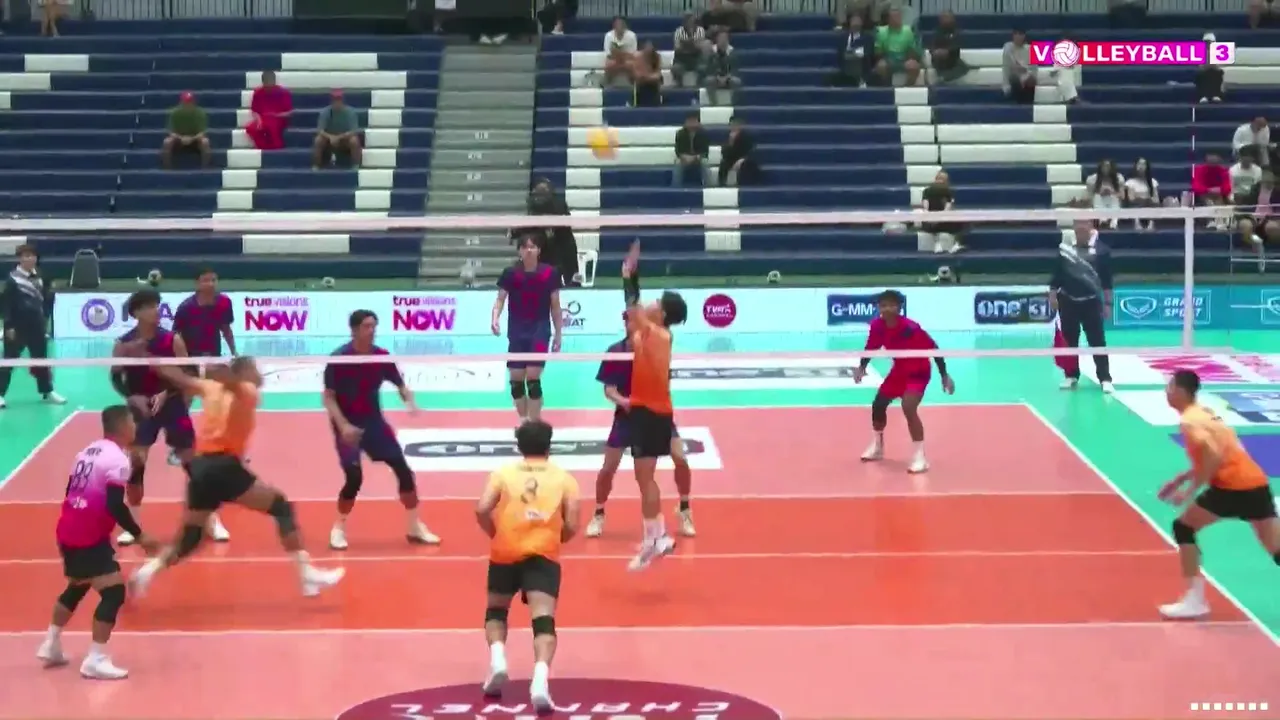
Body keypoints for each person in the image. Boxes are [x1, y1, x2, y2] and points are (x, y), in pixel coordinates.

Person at [128, 358, 345, 599]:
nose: (260, 374)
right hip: (223, 466)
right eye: (255, 369)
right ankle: (307, 576)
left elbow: (181, 378)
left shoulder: (210, 387)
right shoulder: (248, 390)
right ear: (245, 373)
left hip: (200, 468)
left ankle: (146, 572)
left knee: (190, 539)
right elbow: (234, 386)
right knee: (281, 506)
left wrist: (157, 364)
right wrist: (225, 376)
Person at [38, 406, 160, 680]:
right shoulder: (118, 459)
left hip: (68, 527)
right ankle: (96, 659)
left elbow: (72, 491)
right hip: (87, 535)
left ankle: (51, 644)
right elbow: (115, 504)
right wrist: (140, 535)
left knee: (79, 584)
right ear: (123, 426)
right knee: (114, 591)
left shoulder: (87, 451)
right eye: (132, 423)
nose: (135, 427)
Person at [476, 419, 580, 712]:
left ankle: (498, 659)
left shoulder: (502, 474)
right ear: (549, 445)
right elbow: (572, 524)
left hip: (505, 551)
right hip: (543, 554)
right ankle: (539, 681)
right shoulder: (565, 479)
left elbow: (481, 509)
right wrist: (556, 538)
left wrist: (495, 533)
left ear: (519, 446)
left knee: (496, 611)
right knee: (543, 620)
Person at [1157, 370, 1279, 620]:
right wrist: (1181, 479)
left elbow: (1212, 455)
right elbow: (1221, 452)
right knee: (1276, 549)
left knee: (1183, 527)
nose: (1166, 392)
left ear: (1181, 392)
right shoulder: (1206, 413)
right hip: (1256, 483)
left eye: (1170, 387)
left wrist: (1189, 491)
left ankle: (1195, 600)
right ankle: (1194, 599)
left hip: (1232, 487)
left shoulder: (1190, 422)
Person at [111, 290, 230, 545]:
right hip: (142, 410)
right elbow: (115, 376)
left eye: (157, 305)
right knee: (136, 466)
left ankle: (211, 519)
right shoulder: (123, 344)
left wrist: (167, 392)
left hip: (173, 405)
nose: (156, 310)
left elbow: (188, 373)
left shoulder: (172, 339)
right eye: (149, 306)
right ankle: (133, 525)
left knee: (193, 465)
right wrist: (132, 396)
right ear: (136, 313)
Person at [323, 310, 439, 550]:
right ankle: (338, 527)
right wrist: (343, 426)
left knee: (403, 471)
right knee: (354, 477)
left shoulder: (381, 356)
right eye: (367, 326)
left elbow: (400, 384)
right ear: (354, 330)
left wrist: (409, 399)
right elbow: (329, 397)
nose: (372, 331)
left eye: (374, 326)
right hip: (347, 424)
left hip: (374, 423)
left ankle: (414, 526)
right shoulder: (339, 359)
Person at [585, 333, 695, 539]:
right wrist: (626, 402)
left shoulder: (658, 348)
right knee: (608, 468)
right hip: (626, 418)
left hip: (657, 416)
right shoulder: (615, 352)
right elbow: (609, 390)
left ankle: (684, 509)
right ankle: (598, 513)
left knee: (680, 458)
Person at [619, 241, 688, 570]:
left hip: (651, 413)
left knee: (644, 478)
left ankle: (655, 539)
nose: (652, 304)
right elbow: (633, 315)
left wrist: (629, 277)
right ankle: (656, 536)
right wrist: (632, 277)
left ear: (662, 314)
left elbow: (634, 309)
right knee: (644, 477)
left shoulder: (659, 336)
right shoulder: (650, 333)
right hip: (649, 411)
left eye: (657, 303)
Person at [853, 290, 955, 474]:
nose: (887, 309)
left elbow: (933, 348)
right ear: (879, 308)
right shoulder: (877, 326)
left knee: (908, 406)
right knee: (878, 404)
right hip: (899, 371)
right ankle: (878, 447)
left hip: (918, 371)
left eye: (892, 305)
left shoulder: (911, 329)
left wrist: (944, 375)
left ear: (900, 308)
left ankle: (920, 457)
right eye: (883, 305)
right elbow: (871, 347)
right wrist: (862, 367)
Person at [491, 237, 564, 424]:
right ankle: (524, 422)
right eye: (525, 247)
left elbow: (556, 306)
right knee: (516, 382)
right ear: (520, 251)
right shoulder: (510, 273)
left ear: (539, 250)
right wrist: (495, 318)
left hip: (539, 330)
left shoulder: (549, 273)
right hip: (516, 332)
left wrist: (558, 334)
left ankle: (535, 422)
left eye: (533, 246)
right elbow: (500, 299)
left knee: (532, 378)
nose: (529, 250)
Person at [169, 268, 236, 466]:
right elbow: (175, 336)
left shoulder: (224, 303)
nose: (210, 284)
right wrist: (183, 362)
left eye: (214, 280)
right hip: (189, 360)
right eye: (206, 280)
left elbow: (225, 328)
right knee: (184, 404)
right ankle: (179, 449)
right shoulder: (185, 308)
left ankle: (226, 448)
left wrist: (234, 353)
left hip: (213, 359)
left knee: (222, 400)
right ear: (197, 283)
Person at [1049, 221, 1114, 393]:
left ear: (1091, 230)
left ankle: (1105, 378)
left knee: (1097, 341)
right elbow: (1056, 275)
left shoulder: (1102, 251)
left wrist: (1108, 303)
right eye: (1078, 230)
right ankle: (1071, 376)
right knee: (1070, 340)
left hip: (1091, 302)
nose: (1081, 233)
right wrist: (1052, 294)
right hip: (1068, 301)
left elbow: (1107, 280)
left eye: (1084, 230)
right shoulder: (1065, 251)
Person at [1, 243, 65, 409]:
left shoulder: (41, 277)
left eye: (32, 256)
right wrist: (9, 326)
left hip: (36, 326)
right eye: (26, 256)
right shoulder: (13, 279)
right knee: (9, 361)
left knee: (41, 360)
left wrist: (45, 319)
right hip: (17, 327)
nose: (29, 259)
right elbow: (6, 305)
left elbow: (45, 299)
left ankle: (47, 391)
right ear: (20, 259)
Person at [313, 89, 363, 169]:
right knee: (318, 140)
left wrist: (338, 137)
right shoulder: (325, 112)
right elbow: (320, 130)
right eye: (335, 100)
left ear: (342, 101)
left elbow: (353, 131)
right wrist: (330, 137)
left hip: (344, 140)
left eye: (339, 100)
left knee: (354, 140)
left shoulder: (350, 112)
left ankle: (356, 165)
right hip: (328, 140)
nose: (337, 102)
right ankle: (316, 165)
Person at [245, 70, 293, 151]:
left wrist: (276, 115)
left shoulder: (283, 92)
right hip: (263, 118)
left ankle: (277, 149)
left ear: (274, 81)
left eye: (271, 84)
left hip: (279, 119)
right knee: (251, 128)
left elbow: (289, 113)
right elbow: (254, 111)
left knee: (271, 126)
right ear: (263, 82)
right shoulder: (258, 93)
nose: (269, 87)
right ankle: (263, 148)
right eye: (266, 85)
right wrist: (258, 119)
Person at [162, 92, 211, 169]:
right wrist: (181, 138)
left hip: (195, 140)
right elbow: (171, 132)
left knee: (205, 142)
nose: (187, 105)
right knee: (167, 142)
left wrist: (191, 139)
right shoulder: (175, 113)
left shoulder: (200, 113)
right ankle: (167, 168)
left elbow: (202, 132)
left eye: (189, 102)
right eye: (185, 103)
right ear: (181, 102)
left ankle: (205, 168)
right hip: (178, 140)